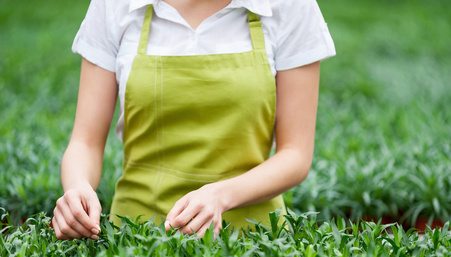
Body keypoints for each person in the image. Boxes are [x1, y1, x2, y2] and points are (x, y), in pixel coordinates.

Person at [51, 0, 335, 240]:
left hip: (255, 242)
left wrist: (220, 196)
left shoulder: (290, 6)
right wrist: (77, 188)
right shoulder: (115, 5)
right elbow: (85, 142)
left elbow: (296, 154)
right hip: (136, 239)